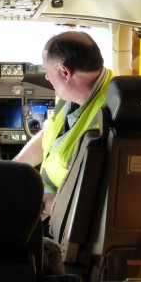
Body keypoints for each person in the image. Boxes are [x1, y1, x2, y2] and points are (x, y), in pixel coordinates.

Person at [13, 31, 115, 217]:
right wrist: (13, 169)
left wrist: (34, 201)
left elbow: (96, 203)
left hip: (62, 219)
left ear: (65, 72)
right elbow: (49, 134)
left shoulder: (111, 115)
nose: (46, 78)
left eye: (47, 71)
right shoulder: (71, 94)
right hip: (47, 201)